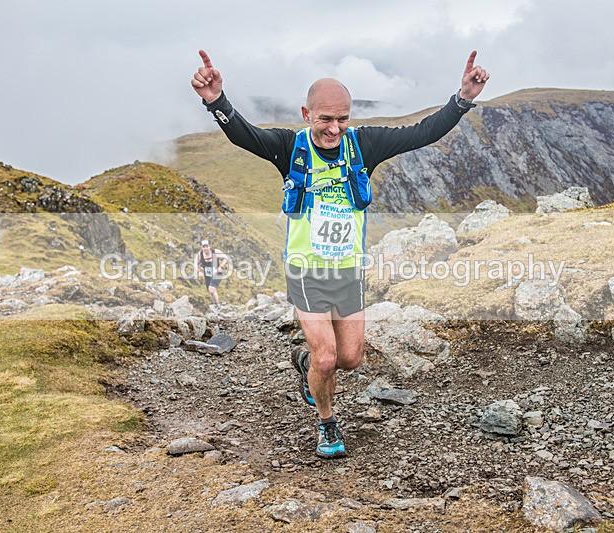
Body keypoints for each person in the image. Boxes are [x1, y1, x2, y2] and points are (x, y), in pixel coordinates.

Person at [191, 49, 489, 458]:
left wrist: (463, 97)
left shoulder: (364, 145)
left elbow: (422, 132)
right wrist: (216, 101)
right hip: (306, 271)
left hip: (348, 270)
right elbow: (246, 135)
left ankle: (305, 364)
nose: (334, 128)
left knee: (349, 359)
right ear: (306, 114)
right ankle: (327, 423)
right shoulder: (290, 148)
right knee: (327, 357)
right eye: (325, 119)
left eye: (343, 119)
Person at [198, 239, 227, 308]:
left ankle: (217, 305)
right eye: (203, 247)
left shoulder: (215, 252)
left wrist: (221, 266)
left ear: (209, 246)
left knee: (211, 289)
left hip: (217, 273)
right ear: (202, 248)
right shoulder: (200, 254)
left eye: (206, 246)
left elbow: (225, 258)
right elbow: (196, 263)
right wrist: (198, 271)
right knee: (210, 291)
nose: (205, 248)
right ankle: (215, 305)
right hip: (208, 275)